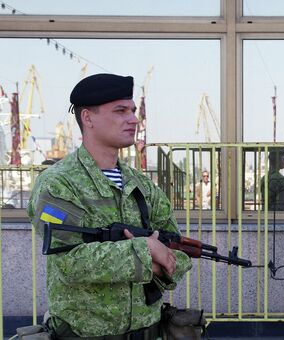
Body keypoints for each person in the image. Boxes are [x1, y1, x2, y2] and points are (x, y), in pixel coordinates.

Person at [27, 73, 192, 338]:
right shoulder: (57, 184)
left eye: (133, 111)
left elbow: (177, 249)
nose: (134, 119)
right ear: (88, 118)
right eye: (120, 111)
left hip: (148, 332)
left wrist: (161, 260)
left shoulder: (142, 185)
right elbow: (70, 262)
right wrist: (146, 250)